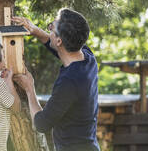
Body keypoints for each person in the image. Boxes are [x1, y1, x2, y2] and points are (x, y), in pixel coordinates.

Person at [12, 8, 100, 151]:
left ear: (59, 40)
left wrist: (29, 89)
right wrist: (35, 30)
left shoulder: (69, 81)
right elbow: (60, 49)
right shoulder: (88, 57)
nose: (50, 28)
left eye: (52, 27)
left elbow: (41, 124)